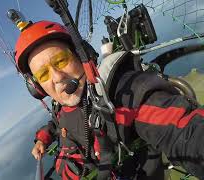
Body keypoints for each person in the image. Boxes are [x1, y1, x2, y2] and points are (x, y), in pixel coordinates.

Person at [14, 20, 204, 180]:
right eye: (43, 74)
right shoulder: (60, 107)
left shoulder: (118, 94)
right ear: (38, 87)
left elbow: (183, 131)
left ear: (81, 56)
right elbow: (55, 125)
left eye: (61, 60)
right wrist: (41, 140)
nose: (57, 77)